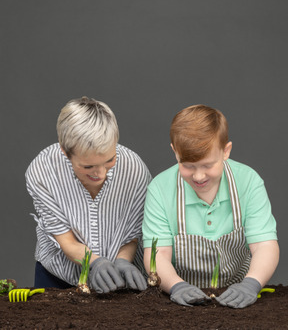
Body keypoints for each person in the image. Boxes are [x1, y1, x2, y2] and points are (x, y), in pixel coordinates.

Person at [142, 104, 279, 308]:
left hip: (238, 292)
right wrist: (176, 286)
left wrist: (251, 284)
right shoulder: (160, 189)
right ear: (174, 151)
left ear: (226, 151)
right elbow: (158, 253)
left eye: (208, 165)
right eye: (188, 166)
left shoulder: (249, 182)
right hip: (181, 298)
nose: (198, 176)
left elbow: (264, 245)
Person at [26, 96, 152, 293]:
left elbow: (131, 236)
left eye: (110, 160)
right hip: (60, 276)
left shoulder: (135, 170)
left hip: (120, 277)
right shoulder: (42, 172)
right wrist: (96, 262)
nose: (100, 174)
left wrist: (121, 261)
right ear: (65, 151)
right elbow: (66, 241)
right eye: (88, 166)